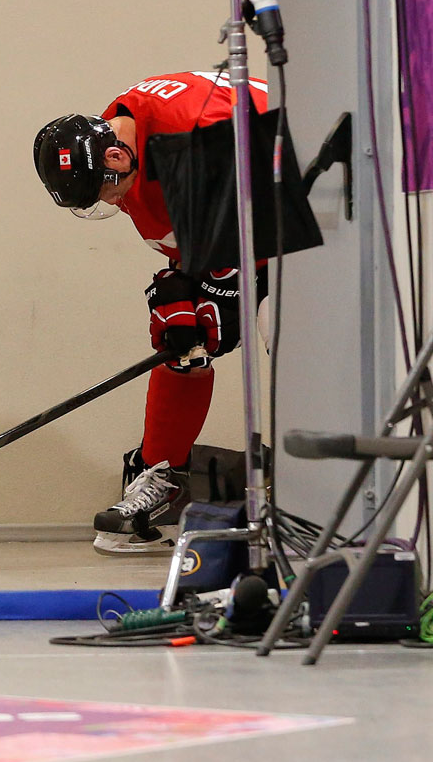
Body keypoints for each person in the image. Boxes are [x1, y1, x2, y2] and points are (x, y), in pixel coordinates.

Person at [33, 69, 268, 555]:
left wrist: (223, 285)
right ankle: (159, 479)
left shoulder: (197, 129)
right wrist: (187, 285)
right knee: (181, 335)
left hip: (295, 222)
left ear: (116, 158)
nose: (110, 202)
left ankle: (317, 493)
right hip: (235, 229)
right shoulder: (122, 137)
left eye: (105, 191)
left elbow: (266, 193)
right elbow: (192, 225)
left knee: (293, 341)